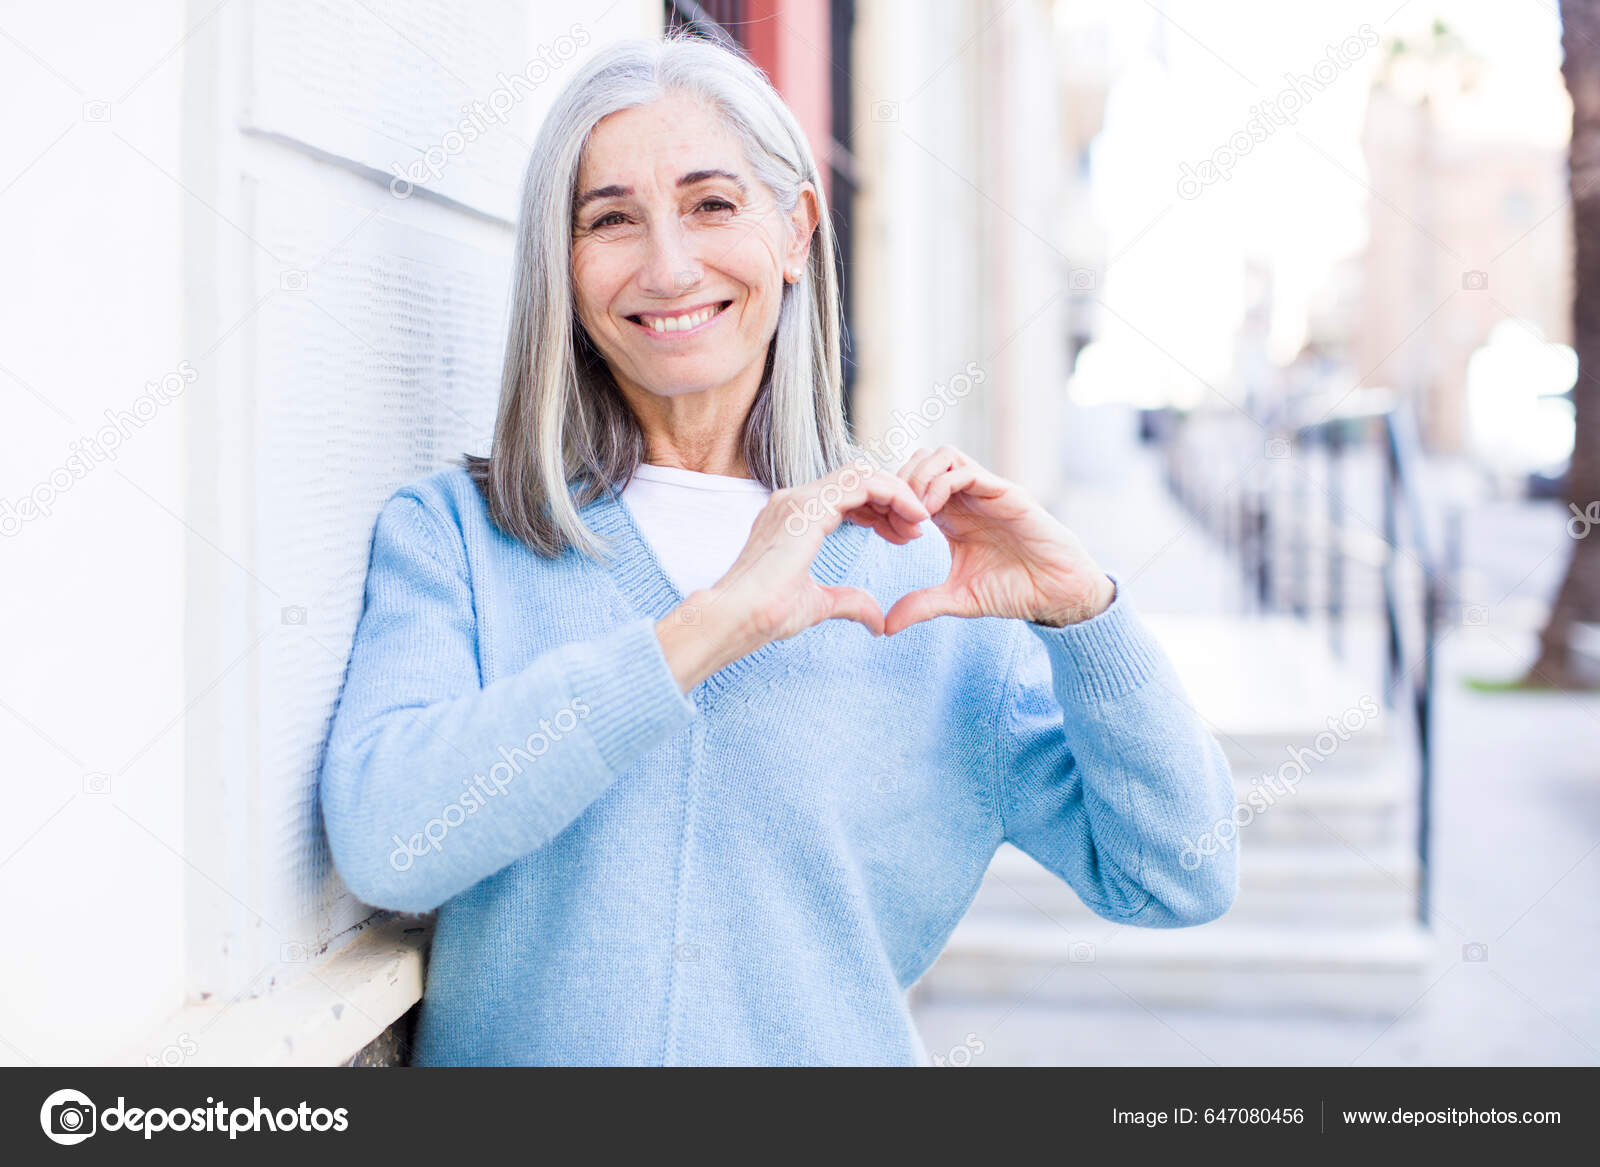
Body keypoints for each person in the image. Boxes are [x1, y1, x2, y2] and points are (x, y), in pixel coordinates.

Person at [318, 32, 1237, 1067]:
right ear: (562, 265)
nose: (668, 264)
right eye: (611, 218)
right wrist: (706, 629)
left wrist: (1088, 618)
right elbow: (390, 844)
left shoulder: (922, 575)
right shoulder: (456, 537)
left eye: (713, 205)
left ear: (797, 230)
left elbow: (1176, 875)